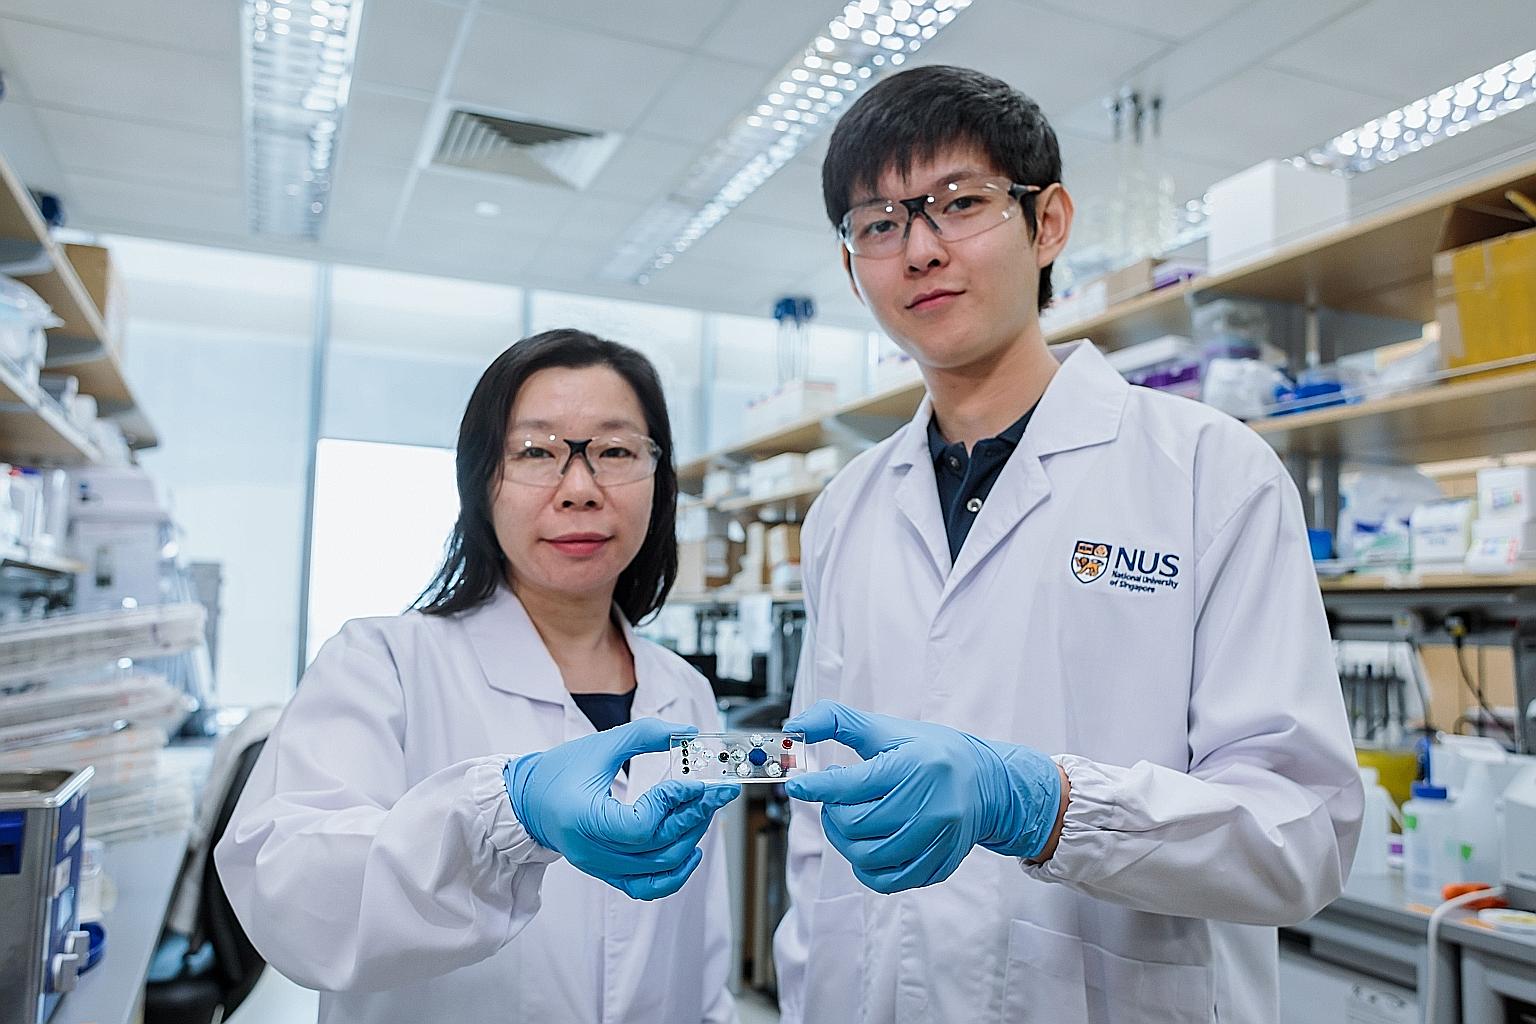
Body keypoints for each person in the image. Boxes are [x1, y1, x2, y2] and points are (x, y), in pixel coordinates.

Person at [771, 65, 1363, 1024]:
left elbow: (1301, 835)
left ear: (1048, 223)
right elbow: (818, 817)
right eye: (879, 224)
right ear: (851, 267)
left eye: (958, 204)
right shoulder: (845, 508)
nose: (919, 250)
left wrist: (1044, 805)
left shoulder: (1211, 472)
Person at [217, 329, 740, 1024]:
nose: (579, 489)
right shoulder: (381, 664)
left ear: (659, 478)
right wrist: (501, 815)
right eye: (535, 452)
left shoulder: (687, 692)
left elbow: (701, 947)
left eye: (614, 452)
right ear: (479, 480)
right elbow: (293, 894)